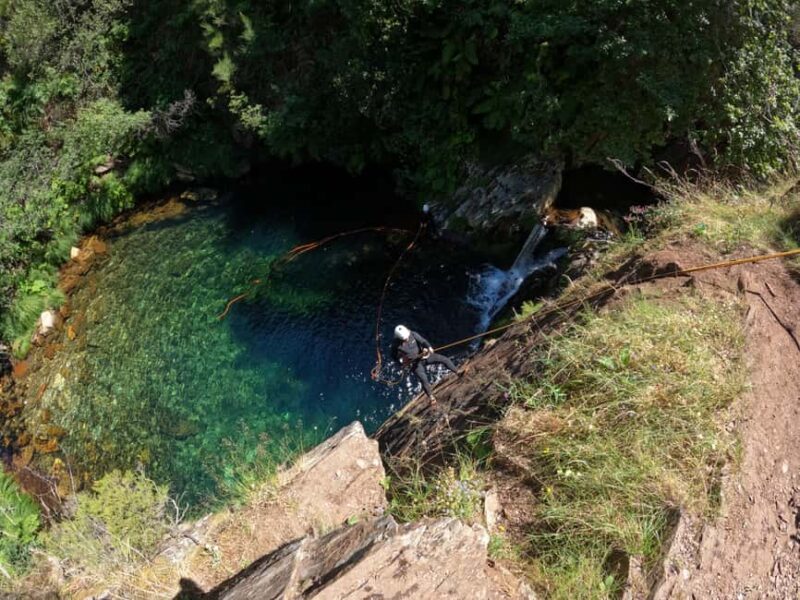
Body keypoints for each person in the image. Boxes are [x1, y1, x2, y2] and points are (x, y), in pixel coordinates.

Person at [391, 324, 459, 403]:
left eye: (406, 337)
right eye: (404, 339)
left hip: (424, 356)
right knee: (424, 379)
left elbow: (423, 341)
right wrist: (401, 364)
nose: (406, 339)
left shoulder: (412, 334)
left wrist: (429, 347)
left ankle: (458, 372)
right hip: (414, 364)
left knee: (445, 360)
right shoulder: (395, 345)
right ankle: (431, 397)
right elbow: (394, 356)